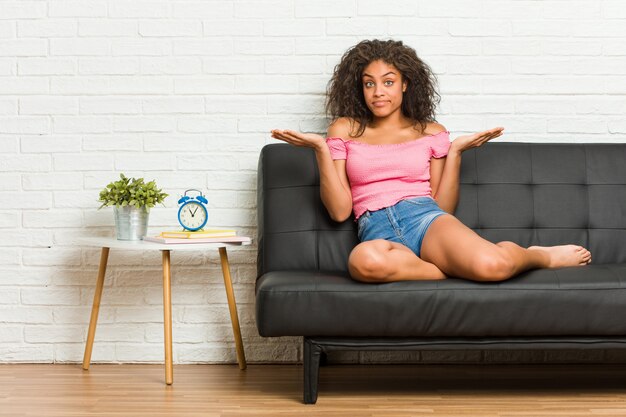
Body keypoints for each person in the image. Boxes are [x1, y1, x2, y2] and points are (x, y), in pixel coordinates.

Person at [271, 39, 591, 283]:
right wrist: (320, 150)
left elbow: (444, 206)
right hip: (376, 229)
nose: (378, 92)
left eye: (388, 81)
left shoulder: (431, 133)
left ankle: (536, 256)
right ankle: (441, 271)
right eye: (369, 83)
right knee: (362, 262)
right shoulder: (344, 130)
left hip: (425, 219)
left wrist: (455, 153)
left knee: (495, 265)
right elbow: (340, 210)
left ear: (405, 84)